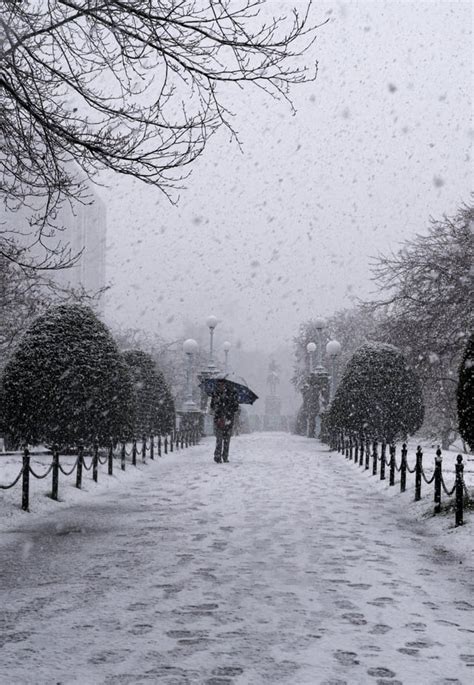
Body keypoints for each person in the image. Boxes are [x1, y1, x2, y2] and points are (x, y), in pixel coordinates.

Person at [210, 379, 239, 463]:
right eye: (219, 385)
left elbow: (236, 407)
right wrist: (216, 403)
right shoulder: (215, 394)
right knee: (219, 438)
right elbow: (212, 406)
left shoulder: (231, 394)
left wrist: (229, 409)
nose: (221, 386)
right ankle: (217, 456)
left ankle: (225, 456)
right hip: (219, 419)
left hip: (228, 419)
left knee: (226, 439)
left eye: (222, 384)